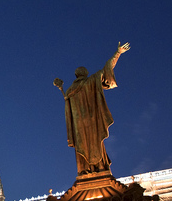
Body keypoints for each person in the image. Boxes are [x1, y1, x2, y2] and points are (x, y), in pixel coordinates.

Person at [55, 42, 130, 176]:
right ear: (85, 74)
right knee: (96, 141)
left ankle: (84, 170)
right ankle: (100, 168)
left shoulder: (71, 90)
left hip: (79, 125)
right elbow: (108, 68)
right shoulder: (91, 81)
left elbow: (68, 108)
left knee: (81, 146)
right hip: (92, 121)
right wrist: (117, 53)